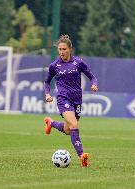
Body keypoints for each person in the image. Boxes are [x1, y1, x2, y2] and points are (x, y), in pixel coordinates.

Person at [43, 34, 98, 167]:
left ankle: (51, 123)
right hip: (63, 98)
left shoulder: (78, 62)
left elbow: (92, 77)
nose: (61, 52)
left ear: (70, 49)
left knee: (68, 130)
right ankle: (82, 156)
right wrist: (47, 94)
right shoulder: (54, 65)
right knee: (74, 125)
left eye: (64, 49)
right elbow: (46, 82)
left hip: (77, 99)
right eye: (60, 49)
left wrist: (94, 84)